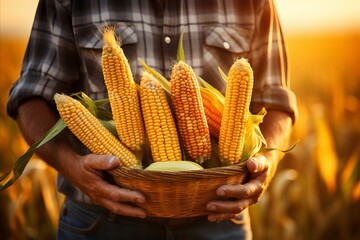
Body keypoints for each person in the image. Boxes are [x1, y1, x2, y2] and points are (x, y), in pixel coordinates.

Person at [7, 0, 297, 239]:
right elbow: (30, 98)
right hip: (101, 222)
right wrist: (72, 167)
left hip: (219, 220)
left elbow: (276, 104)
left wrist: (264, 167)